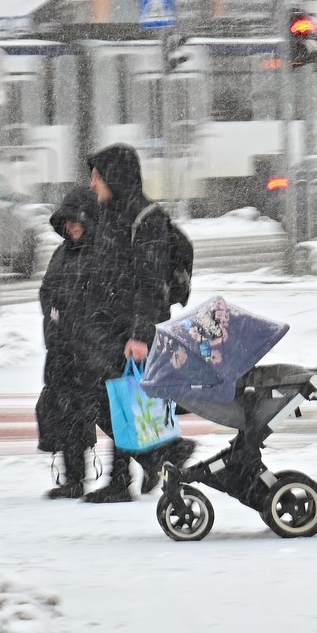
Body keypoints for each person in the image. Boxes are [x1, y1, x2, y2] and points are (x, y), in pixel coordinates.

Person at [77, 144, 195, 504]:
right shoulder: (110, 216)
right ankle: (146, 462)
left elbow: (150, 282)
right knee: (116, 404)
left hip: (131, 330)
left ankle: (160, 455)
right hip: (108, 327)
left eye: (98, 177)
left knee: (114, 402)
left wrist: (140, 335)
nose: (93, 184)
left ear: (115, 177)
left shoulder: (147, 219)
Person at [36, 186, 102, 499]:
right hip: (62, 349)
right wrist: (54, 319)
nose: (73, 226)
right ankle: (74, 478)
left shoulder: (102, 252)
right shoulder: (62, 253)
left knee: (108, 414)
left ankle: (159, 456)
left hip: (93, 350)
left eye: (79, 221)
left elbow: (102, 299)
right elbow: (47, 291)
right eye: (69, 222)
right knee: (64, 411)